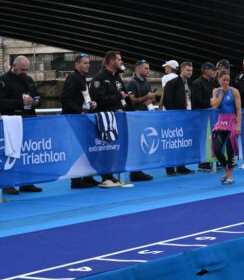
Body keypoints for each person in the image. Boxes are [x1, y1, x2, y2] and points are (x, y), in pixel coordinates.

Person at [90, 51, 153, 185]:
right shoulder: (100, 78)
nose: (121, 62)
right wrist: (119, 96)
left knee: (120, 147)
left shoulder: (117, 78)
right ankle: (106, 175)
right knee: (107, 148)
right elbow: (98, 100)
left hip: (121, 117)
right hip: (107, 119)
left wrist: (131, 112)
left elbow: (126, 99)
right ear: (111, 61)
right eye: (119, 60)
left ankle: (121, 172)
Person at [0, 56, 43, 194]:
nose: (25, 72)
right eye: (22, 69)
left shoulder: (29, 80)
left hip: (29, 119)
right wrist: (21, 102)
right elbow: (1, 103)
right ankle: (8, 184)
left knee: (28, 152)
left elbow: (38, 97)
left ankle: (27, 182)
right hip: (11, 122)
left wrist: (36, 101)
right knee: (10, 152)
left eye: (27, 70)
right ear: (14, 66)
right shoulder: (3, 80)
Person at [61, 54, 100, 189]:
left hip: (81, 118)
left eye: (88, 63)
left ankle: (88, 176)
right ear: (77, 64)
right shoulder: (73, 78)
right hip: (74, 119)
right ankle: (76, 181)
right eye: (84, 63)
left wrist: (90, 104)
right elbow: (65, 99)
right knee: (77, 149)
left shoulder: (82, 79)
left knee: (86, 148)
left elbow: (80, 98)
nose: (88, 65)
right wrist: (79, 111)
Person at [162, 62, 197, 176]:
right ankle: (170, 168)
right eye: (188, 70)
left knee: (184, 142)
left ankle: (181, 166)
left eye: (191, 70)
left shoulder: (191, 84)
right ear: (181, 70)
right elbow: (167, 101)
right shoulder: (172, 83)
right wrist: (174, 116)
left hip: (188, 117)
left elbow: (194, 100)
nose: (190, 72)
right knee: (173, 143)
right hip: (175, 118)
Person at [211, 70, 242, 185]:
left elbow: (238, 109)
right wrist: (222, 94)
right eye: (223, 80)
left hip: (232, 122)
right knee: (217, 149)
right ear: (219, 80)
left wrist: (238, 125)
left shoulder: (234, 91)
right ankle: (226, 169)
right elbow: (215, 106)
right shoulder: (215, 91)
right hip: (221, 122)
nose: (226, 82)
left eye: (228, 80)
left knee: (230, 148)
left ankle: (230, 176)